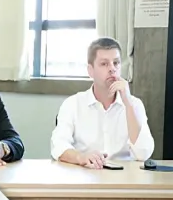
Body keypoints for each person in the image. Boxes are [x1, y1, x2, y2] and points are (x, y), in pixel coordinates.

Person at [50, 37, 155, 169]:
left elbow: (144, 153)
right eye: (104, 64)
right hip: (85, 174)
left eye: (116, 63)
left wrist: (128, 104)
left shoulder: (134, 104)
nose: (112, 69)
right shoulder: (73, 104)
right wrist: (81, 157)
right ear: (90, 70)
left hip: (124, 176)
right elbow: (58, 145)